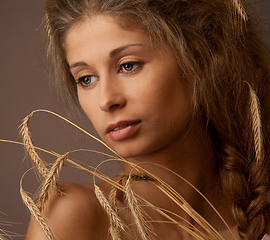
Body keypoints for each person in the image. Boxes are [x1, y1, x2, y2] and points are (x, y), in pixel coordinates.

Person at [25, 0, 270, 239]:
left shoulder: (260, 220)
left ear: (200, 59)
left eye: (128, 65)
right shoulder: (71, 216)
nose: (106, 100)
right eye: (86, 79)